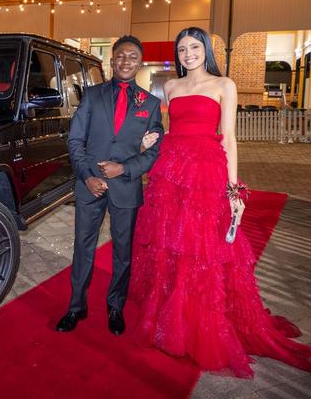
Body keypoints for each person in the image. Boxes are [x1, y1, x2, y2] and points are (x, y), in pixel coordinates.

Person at [130, 27, 311, 378]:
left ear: (206, 50)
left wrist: (233, 190)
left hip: (206, 173)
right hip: (171, 170)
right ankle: (173, 319)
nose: (188, 54)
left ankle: (200, 321)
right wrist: (156, 136)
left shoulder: (224, 84)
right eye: (182, 49)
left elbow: (228, 137)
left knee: (202, 248)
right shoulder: (171, 86)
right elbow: (175, 127)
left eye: (194, 47)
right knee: (171, 246)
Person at [55, 35, 164, 334]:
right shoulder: (91, 96)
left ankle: (115, 306)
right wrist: (87, 176)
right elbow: (75, 139)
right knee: (83, 248)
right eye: (120, 56)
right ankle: (76, 307)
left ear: (139, 63)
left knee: (122, 252)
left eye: (132, 56)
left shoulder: (151, 104)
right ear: (111, 60)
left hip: (126, 188)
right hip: (89, 185)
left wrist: (125, 169)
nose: (126, 61)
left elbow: (154, 151)